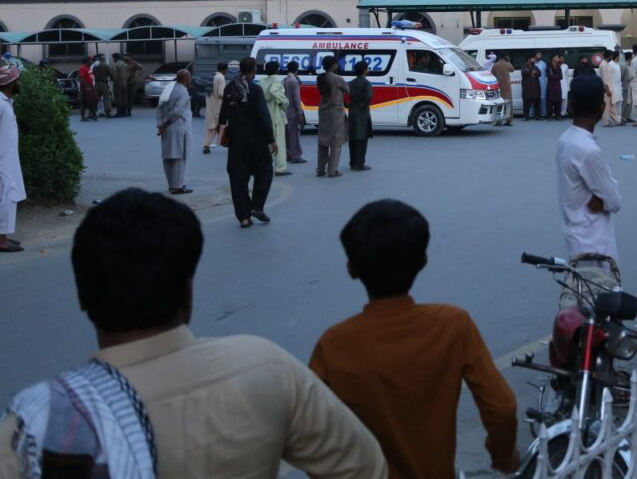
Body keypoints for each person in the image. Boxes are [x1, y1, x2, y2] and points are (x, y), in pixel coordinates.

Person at [0, 188, 386, 478]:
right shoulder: (266, 367)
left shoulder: (37, 421)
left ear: (83, 295)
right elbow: (365, 467)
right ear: (188, 292)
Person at [310, 200, 518, 478]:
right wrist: (504, 458)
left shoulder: (334, 344)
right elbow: (502, 408)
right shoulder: (452, 325)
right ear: (423, 261)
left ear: (351, 268)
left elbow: (311, 434)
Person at [557, 74, 622, 262]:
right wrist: (603, 197)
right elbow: (614, 201)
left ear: (570, 105)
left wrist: (601, 197)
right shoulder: (588, 151)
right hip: (594, 244)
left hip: (576, 235)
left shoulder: (566, 139)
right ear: (601, 108)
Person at [219, 57, 276, 227]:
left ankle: (244, 217)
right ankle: (257, 207)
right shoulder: (255, 89)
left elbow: (222, 116)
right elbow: (263, 116)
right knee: (265, 173)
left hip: (236, 143)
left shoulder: (230, 88)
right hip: (257, 142)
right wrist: (271, 140)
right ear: (253, 70)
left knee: (238, 180)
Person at [0, 64, 25, 253]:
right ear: (9, 83)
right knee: (7, 197)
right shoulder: (0, 103)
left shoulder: (6, 101)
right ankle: (1, 241)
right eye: (17, 80)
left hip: (8, 158)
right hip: (2, 160)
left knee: (9, 197)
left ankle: (3, 236)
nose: (19, 83)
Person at [157, 69, 193, 195]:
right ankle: (177, 186)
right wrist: (165, 122)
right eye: (190, 77)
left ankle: (171, 184)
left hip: (167, 128)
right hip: (179, 127)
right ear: (186, 79)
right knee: (179, 156)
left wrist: (160, 124)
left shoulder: (168, 89)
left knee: (168, 156)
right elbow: (177, 111)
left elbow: (159, 107)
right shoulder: (182, 91)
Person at [316, 55, 349, 178]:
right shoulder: (338, 79)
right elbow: (348, 90)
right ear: (334, 65)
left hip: (323, 112)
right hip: (336, 112)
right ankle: (332, 170)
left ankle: (320, 169)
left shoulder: (320, 78)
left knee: (323, 141)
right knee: (336, 141)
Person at [263, 60, 290, 176]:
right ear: (277, 69)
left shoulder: (262, 81)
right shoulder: (277, 80)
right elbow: (274, 91)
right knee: (279, 141)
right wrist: (284, 102)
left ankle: (266, 165)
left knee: (267, 141)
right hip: (276, 113)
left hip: (266, 112)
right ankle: (280, 168)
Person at [347, 61, 373, 171]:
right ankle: (360, 163)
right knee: (362, 138)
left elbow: (344, 95)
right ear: (364, 71)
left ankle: (353, 162)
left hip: (352, 111)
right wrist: (363, 105)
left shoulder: (351, 83)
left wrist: (349, 105)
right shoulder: (366, 83)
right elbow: (369, 96)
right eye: (367, 68)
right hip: (362, 112)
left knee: (353, 137)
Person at [284, 60, 307, 163]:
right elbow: (296, 99)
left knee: (287, 135)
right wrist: (300, 113)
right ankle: (296, 156)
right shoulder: (294, 81)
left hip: (286, 111)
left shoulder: (286, 80)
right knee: (294, 135)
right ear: (296, 69)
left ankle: (288, 155)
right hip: (293, 111)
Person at [203, 62, 227, 154]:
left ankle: (207, 145)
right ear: (225, 69)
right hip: (218, 106)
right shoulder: (221, 78)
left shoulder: (212, 76)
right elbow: (221, 93)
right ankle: (228, 143)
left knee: (212, 126)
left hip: (210, 105)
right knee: (221, 125)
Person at [491, 54, 514, 126]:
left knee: (499, 103)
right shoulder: (507, 64)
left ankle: (499, 120)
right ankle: (509, 120)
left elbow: (492, 74)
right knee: (508, 103)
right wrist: (509, 61)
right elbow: (512, 70)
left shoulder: (495, 65)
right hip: (507, 86)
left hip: (498, 86)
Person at [598, 51, 619, 127]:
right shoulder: (604, 65)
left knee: (612, 105)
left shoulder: (606, 64)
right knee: (607, 106)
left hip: (609, 87)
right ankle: (606, 122)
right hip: (606, 89)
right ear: (609, 56)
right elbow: (605, 79)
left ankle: (617, 120)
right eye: (611, 56)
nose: (612, 57)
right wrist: (607, 90)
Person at [78, 56, 98, 121]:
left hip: (91, 85)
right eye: (91, 60)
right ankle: (83, 117)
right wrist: (86, 86)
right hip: (85, 86)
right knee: (83, 102)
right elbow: (82, 78)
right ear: (87, 60)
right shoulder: (82, 68)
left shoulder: (89, 67)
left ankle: (91, 114)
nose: (92, 61)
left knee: (94, 99)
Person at [521, 56, 541, 121]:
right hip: (527, 88)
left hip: (535, 88)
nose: (534, 60)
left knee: (537, 103)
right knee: (526, 103)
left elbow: (539, 73)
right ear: (529, 59)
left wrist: (534, 72)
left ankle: (537, 116)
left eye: (534, 59)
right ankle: (526, 116)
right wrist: (531, 72)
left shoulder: (536, 67)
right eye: (533, 59)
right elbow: (524, 72)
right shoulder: (524, 66)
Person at [111, 53, 129, 117]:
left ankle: (119, 112)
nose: (113, 59)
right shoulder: (124, 64)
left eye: (113, 58)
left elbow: (115, 75)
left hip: (118, 84)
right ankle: (124, 112)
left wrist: (113, 80)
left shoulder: (116, 65)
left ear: (115, 58)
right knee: (124, 97)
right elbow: (128, 75)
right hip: (124, 83)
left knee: (118, 98)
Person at [608, 51, 623, 125]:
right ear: (616, 56)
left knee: (619, 103)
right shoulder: (610, 64)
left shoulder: (617, 64)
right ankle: (613, 120)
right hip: (613, 86)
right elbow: (608, 77)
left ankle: (619, 119)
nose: (620, 58)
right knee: (613, 104)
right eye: (619, 56)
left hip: (619, 86)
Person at [547, 54, 563, 119]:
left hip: (557, 85)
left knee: (558, 100)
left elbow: (561, 77)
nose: (558, 59)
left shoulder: (558, 66)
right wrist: (556, 76)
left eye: (558, 57)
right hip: (551, 86)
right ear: (553, 58)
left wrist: (554, 76)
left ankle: (557, 115)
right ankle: (550, 115)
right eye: (556, 57)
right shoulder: (549, 66)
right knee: (550, 101)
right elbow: (550, 77)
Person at [621, 51, 633, 123]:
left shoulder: (631, 65)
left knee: (630, 102)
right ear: (629, 58)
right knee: (624, 102)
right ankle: (623, 116)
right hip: (625, 85)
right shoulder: (623, 65)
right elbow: (622, 76)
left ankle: (628, 116)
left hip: (631, 85)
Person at [535, 51, 548, 118]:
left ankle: (543, 113)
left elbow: (545, 74)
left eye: (540, 55)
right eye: (537, 54)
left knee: (543, 98)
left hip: (542, 83)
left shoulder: (543, 64)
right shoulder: (533, 63)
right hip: (534, 83)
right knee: (534, 98)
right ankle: (534, 114)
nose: (539, 56)